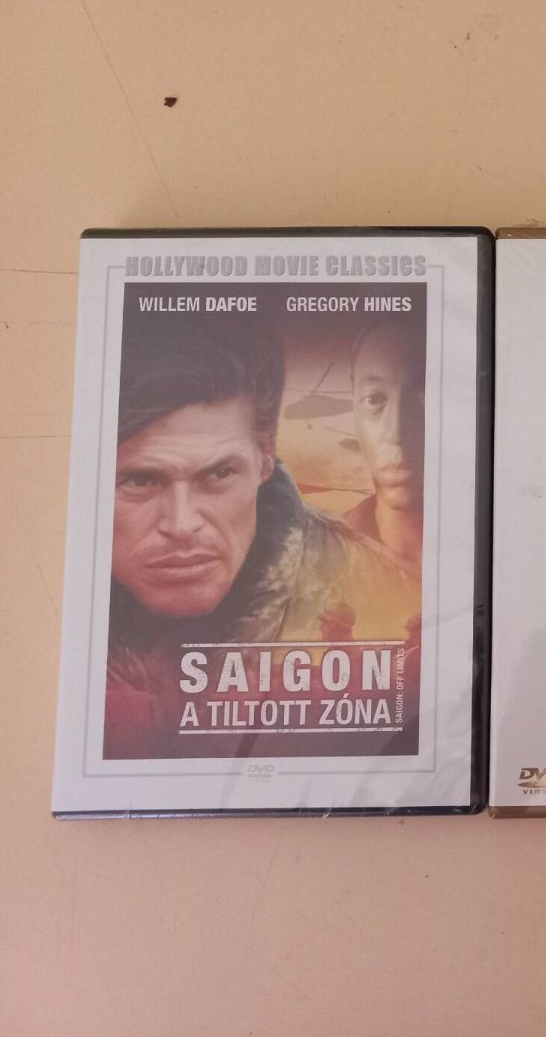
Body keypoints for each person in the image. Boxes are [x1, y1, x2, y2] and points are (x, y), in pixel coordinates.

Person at [105, 312, 420, 758]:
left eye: (219, 474)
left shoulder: (390, 599)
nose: (181, 524)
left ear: (266, 457)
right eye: (140, 480)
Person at [341, 318, 427, 568]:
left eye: (424, 398)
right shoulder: (323, 560)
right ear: (354, 411)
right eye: (374, 399)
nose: (396, 433)